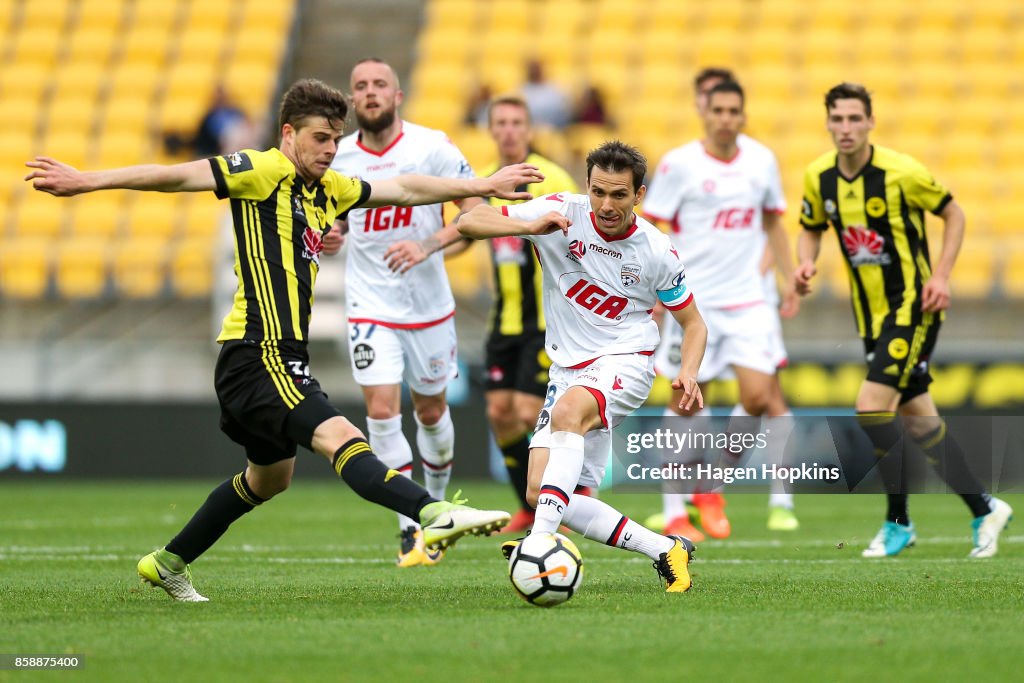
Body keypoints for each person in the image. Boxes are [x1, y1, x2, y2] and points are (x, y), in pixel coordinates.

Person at [25, 78, 545, 601]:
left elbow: (408, 187)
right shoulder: (262, 169)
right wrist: (86, 181)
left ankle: (168, 561)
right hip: (257, 352)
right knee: (341, 436)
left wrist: (481, 185)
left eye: (336, 139)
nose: (329, 149)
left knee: (268, 480)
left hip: (276, 356)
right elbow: (173, 176)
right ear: (288, 133)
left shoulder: (332, 188)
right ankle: (433, 512)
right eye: (319, 138)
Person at [458, 141, 709, 593]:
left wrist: (688, 372)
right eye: (598, 192)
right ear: (587, 186)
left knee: (568, 415)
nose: (606, 205)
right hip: (567, 369)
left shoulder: (655, 249)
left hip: (625, 359)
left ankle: (537, 543)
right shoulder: (559, 212)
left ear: (639, 195)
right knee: (541, 493)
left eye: (618, 195)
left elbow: (693, 325)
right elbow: (468, 220)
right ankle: (665, 550)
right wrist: (530, 225)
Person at [794, 82, 1013, 558]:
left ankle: (899, 522)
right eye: (838, 119)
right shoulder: (819, 177)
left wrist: (942, 276)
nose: (846, 128)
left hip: (914, 308)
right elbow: (809, 228)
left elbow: (953, 214)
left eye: (855, 119)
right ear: (828, 122)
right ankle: (984, 508)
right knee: (918, 421)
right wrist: (804, 263)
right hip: (870, 317)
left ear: (871, 121)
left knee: (872, 407)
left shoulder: (902, 172)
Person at [324, 59, 482, 568]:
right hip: (370, 304)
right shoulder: (339, 158)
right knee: (382, 411)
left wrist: (429, 243)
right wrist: (332, 234)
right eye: (360, 87)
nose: (370, 93)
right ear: (352, 101)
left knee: (431, 411)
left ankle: (435, 506)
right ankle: (411, 525)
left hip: (429, 306)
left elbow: (477, 211)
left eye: (379, 85)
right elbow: (334, 222)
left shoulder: (431, 147)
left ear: (398, 96)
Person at [643, 77, 800, 541]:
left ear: (743, 115)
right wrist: (653, 297)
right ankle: (674, 508)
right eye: (719, 111)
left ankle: (709, 487)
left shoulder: (762, 160)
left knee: (756, 398)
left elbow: (773, 222)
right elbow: (652, 230)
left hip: (749, 298)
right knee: (686, 399)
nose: (727, 119)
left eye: (735, 111)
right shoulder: (679, 164)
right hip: (695, 302)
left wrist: (788, 280)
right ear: (705, 114)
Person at [477, 95, 580, 532]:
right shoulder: (488, 180)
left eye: (517, 122)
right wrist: (431, 248)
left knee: (527, 412)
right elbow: (470, 226)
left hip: (544, 322)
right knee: (499, 413)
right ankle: (527, 501)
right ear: (491, 129)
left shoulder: (550, 176)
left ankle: (561, 500)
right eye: (500, 122)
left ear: (530, 128)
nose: (509, 130)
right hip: (504, 320)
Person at [519, 60, 571, 130]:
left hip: (555, 127)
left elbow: (564, 111)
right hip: (531, 128)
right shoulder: (521, 90)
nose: (535, 72)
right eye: (532, 69)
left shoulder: (555, 89)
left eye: (537, 69)